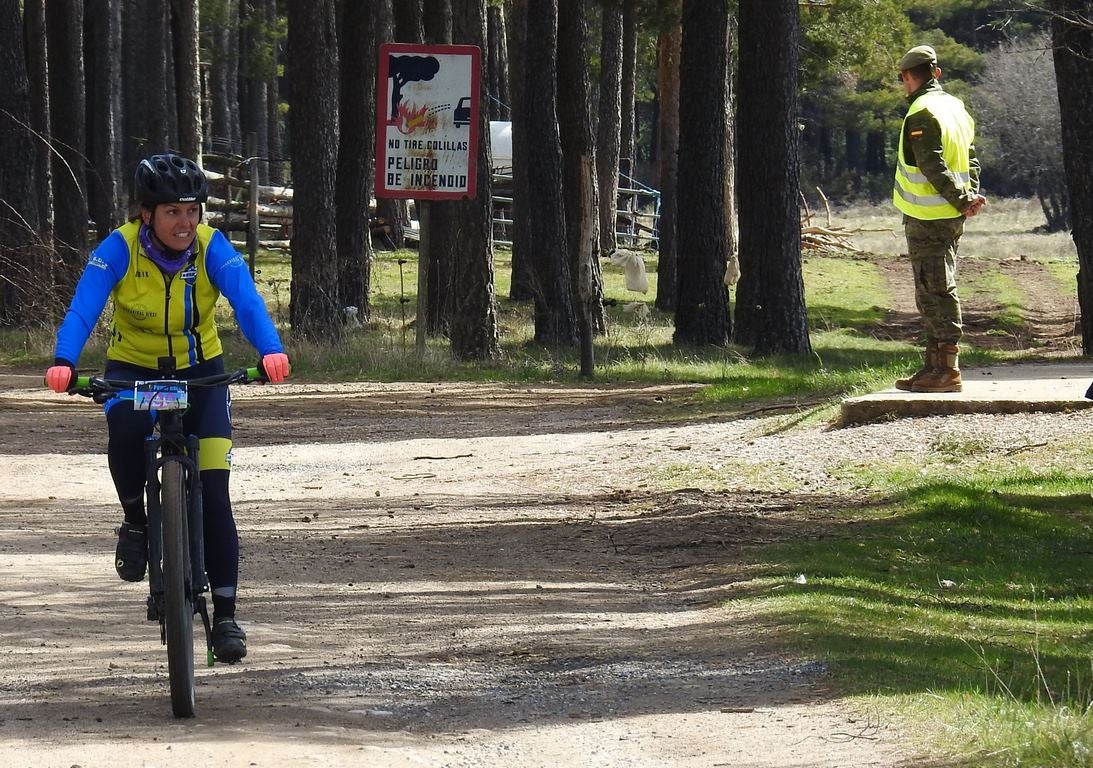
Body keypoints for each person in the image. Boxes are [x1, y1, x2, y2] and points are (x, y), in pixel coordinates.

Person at [44, 153, 290, 663]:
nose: (185, 222)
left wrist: (270, 349)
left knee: (216, 489)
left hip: (202, 372)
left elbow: (246, 301)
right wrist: (65, 360)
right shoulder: (118, 248)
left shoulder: (210, 247)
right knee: (126, 434)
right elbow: (83, 306)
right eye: (172, 212)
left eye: (192, 211)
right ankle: (135, 521)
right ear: (146, 214)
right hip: (133, 370)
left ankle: (225, 614)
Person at [892, 44, 987, 393]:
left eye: (902, 79)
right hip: (948, 212)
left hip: (929, 215)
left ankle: (947, 369)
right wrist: (969, 197)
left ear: (907, 78)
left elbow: (932, 165)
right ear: (937, 73)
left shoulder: (921, 112)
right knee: (931, 287)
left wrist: (963, 200)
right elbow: (970, 157)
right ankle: (933, 366)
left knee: (935, 289)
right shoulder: (954, 107)